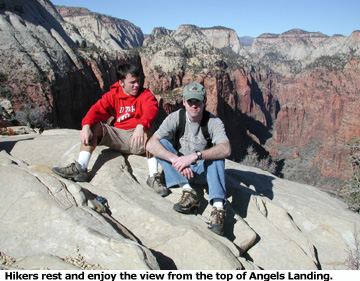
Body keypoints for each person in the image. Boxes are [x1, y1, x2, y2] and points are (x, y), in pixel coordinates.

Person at [52, 63, 168, 196]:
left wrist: (141, 126)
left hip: (141, 139)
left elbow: (151, 111)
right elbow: (96, 110)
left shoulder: (145, 95)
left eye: (138, 81)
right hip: (119, 136)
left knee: (150, 128)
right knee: (94, 126)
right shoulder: (113, 95)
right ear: (121, 82)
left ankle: (153, 177)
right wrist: (85, 126)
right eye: (132, 82)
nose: (137, 85)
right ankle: (81, 168)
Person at [146, 82, 231, 235]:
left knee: (217, 155)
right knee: (162, 144)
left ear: (204, 102)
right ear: (183, 101)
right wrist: (176, 160)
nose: (193, 105)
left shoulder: (213, 122)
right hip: (180, 170)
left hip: (202, 171)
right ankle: (188, 192)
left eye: (197, 101)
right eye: (190, 101)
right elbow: (151, 144)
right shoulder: (175, 118)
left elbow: (226, 149)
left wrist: (195, 156)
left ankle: (218, 209)